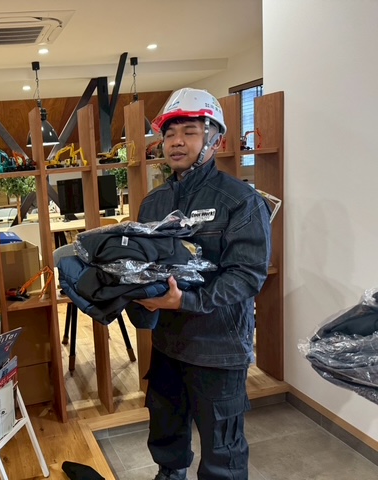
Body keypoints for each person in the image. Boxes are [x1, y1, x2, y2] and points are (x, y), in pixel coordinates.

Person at [135, 88, 271, 480]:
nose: (176, 141)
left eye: (190, 132)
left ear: (216, 140)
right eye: (170, 133)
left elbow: (247, 275)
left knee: (221, 451)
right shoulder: (154, 202)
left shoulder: (240, 200)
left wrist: (187, 301)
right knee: (166, 431)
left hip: (218, 349)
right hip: (167, 343)